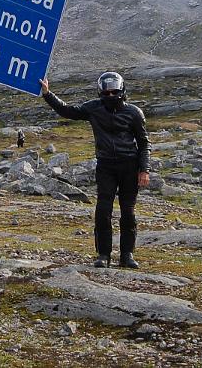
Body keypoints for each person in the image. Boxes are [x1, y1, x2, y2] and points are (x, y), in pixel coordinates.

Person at [40, 72, 150, 268]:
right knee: (103, 210)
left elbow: (143, 143)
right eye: (106, 93)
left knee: (128, 212)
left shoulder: (134, 113)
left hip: (129, 167)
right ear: (100, 92)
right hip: (106, 166)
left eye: (114, 92)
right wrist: (48, 94)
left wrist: (144, 170)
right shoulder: (94, 109)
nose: (110, 96)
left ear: (122, 91)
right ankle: (103, 255)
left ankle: (127, 255)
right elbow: (68, 111)